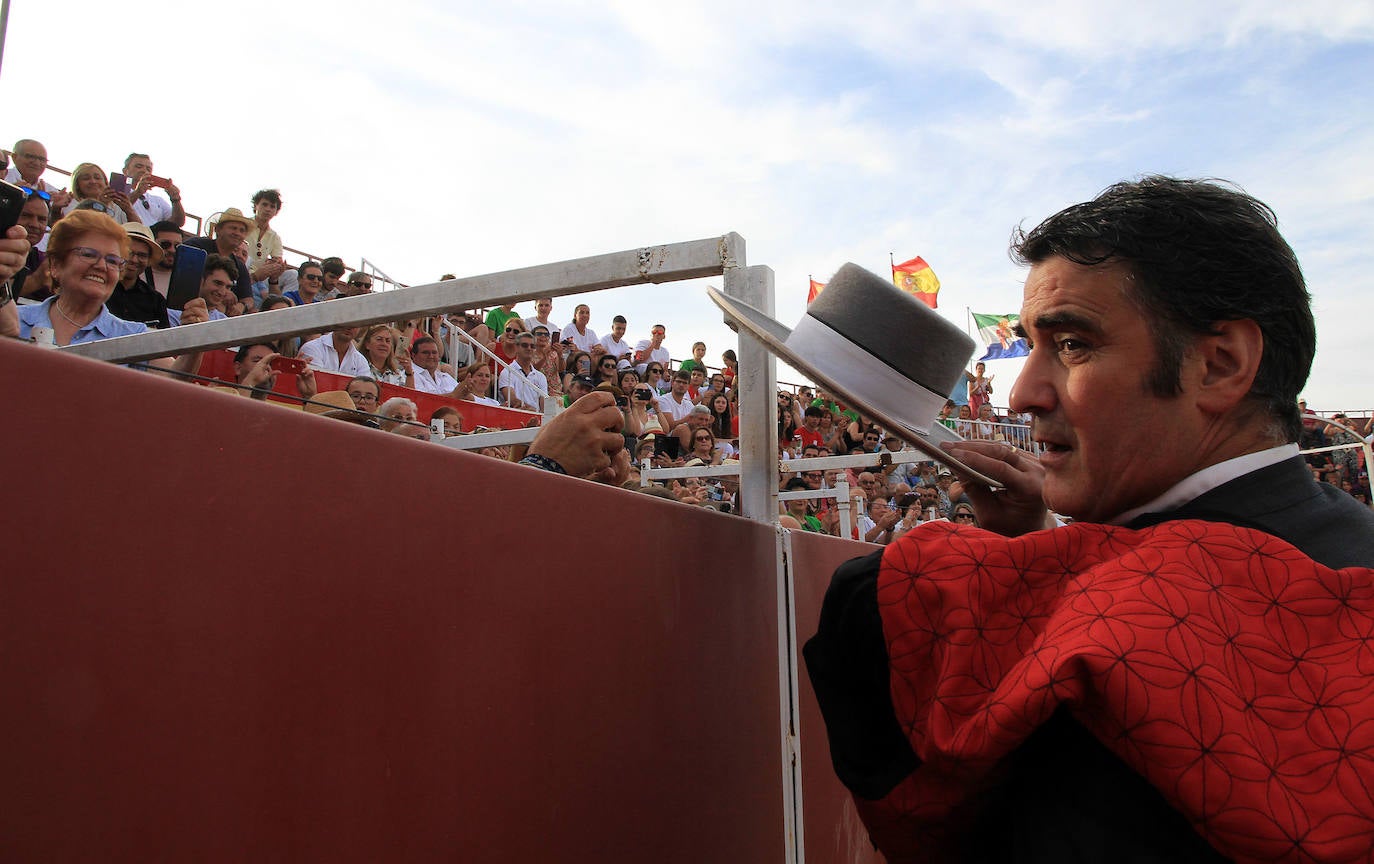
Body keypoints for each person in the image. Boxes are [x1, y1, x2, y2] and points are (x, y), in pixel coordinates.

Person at [804, 176, 1374, 863]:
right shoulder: (1346, 540)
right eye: (1031, 347)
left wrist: (1026, 577)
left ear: (1219, 365)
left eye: (1073, 344)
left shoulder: (1108, 650)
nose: (1022, 393)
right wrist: (1036, 551)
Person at [17, 211, 206, 375]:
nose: (101, 266)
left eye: (113, 260)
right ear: (56, 265)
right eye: (89, 254)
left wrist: (197, 339)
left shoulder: (133, 335)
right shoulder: (12, 320)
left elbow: (173, 377)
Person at [182, 208, 254, 300]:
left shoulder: (240, 266)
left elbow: (248, 299)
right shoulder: (196, 246)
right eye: (233, 228)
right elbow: (181, 277)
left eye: (242, 230)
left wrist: (241, 306)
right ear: (218, 229)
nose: (237, 233)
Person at [105, 223, 167, 329]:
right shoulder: (97, 287)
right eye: (129, 253)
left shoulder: (156, 300)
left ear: (148, 260)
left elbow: (164, 340)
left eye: (142, 255)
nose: (134, 260)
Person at [166, 254, 238, 325]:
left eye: (228, 287)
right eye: (218, 283)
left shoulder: (224, 322)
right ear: (200, 280)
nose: (222, 292)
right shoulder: (171, 314)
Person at [121, 153, 185, 228]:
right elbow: (118, 208)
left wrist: (176, 200)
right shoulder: (119, 191)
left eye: (148, 169)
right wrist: (138, 192)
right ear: (125, 171)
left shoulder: (158, 200)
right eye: (138, 166)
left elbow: (177, 223)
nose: (144, 170)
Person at [58, 163, 136, 224]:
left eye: (97, 178)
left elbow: (139, 229)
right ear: (77, 184)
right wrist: (100, 205)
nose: (93, 181)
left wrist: (129, 210)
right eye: (86, 178)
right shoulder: (70, 204)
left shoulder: (116, 206)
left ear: (105, 182)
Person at [245, 189, 288, 293]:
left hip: (262, 277)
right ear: (256, 206)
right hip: (241, 270)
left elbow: (277, 260)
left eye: (272, 206)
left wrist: (276, 265)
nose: (268, 209)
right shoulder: (243, 225)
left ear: (276, 212)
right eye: (264, 204)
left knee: (293, 275)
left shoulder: (275, 237)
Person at [498, 332, 548, 412]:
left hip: (537, 419)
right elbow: (513, 401)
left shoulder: (541, 376)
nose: (529, 348)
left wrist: (534, 412)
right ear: (516, 347)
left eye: (532, 346)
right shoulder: (507, 372)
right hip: (514, 416)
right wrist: (534, 410)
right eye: (525, 345)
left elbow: (544, 406)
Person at [298, 325, 370, 376]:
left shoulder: (361, 360)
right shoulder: (312, 348)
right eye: (345, 321)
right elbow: (317, 382)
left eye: (355, 323)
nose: (349, 327)